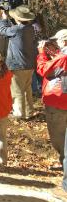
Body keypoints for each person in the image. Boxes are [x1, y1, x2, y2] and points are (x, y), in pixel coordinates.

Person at [36, 29, 67, 170]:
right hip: (61, 100)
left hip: (58, 101)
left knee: (58, 134)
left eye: (58, 41)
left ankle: (64, 162)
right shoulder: (61, 56)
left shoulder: (62, 57)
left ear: (64, 41)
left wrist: (42, 53)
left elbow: (43, 69)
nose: (56, 43)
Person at [0, 5, 36, 120]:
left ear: (18, 19)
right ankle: (29, 112)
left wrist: (4, 19)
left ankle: (19, 114)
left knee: (17, 90)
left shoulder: (17, 29)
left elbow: (3, 31)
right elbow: (15, 29)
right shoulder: (30, 28)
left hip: (18, 65)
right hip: (29, 65)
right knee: (27, 89)